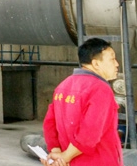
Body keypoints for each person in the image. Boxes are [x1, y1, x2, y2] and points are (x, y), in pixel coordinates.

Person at [41, 37, 122, 166]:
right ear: (96, 64)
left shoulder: (63, 85)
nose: (117, 64)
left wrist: (56, 152)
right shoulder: (100, 89)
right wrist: (64, 157)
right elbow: (89, 133)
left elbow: (49, 124)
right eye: (112, 59)